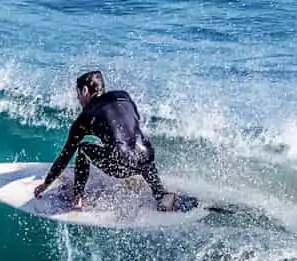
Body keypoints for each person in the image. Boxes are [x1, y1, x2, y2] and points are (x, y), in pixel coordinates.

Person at [33, 71, 191, 212]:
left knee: (82, 149)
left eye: (78, 95)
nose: (78, 99)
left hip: (120, 165)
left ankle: (78, 197)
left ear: (85, 91)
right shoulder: (124, 96)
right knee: (136, 147)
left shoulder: (86, 117)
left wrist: (46, 184)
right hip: (147, 157)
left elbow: (66, 155)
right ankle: (160, 193)